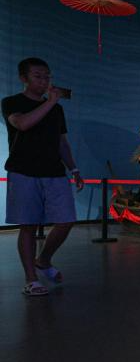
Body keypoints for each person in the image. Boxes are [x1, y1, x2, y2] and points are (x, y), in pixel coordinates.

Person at [2, 57, 84, 296]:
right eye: (37, 76)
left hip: (54, 172)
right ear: (24, 78)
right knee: (28, 225)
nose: (44, 80)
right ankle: (31, 280)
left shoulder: (56, 109)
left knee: (66, 220)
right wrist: (50, 102)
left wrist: (74, 169)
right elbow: (23, 124)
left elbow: (61, 142)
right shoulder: (12, 102)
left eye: (47, 76)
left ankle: (44, 259)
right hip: (23, 171)